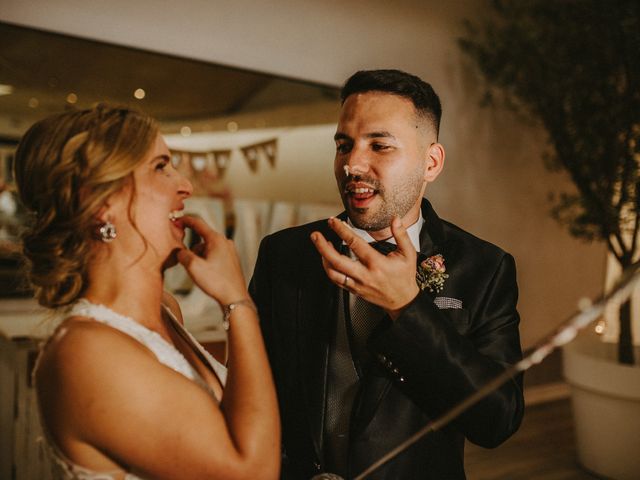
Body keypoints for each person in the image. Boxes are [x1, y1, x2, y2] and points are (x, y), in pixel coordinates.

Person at [249, 69, 524, 479]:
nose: (352, 164)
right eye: (344, 145)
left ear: (430, 162)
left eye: (379, 145)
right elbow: (255, 386)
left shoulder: (484, 268)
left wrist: (408, 307)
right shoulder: (285, 254)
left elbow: (497, 420)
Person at [14, 104, 280, 479]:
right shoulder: (85, 353)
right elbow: (252, 472)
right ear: (103, 203)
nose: (184, 184)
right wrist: (238, 302)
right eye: (160, 167)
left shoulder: (166, 309)